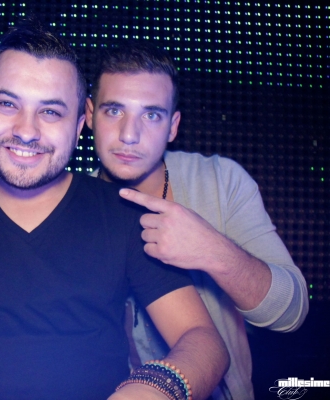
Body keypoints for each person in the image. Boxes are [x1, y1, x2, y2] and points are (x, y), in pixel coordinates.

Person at [0, 24, 228, 400]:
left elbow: (203, 340)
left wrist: (158, 387)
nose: (26, 131)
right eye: (7, 104)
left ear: (79, 126)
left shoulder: (123, 214)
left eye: (50, 111)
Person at [85, 41, 309, 399]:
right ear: (89, 114)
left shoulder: (220, 181)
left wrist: (213, 251)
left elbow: (291, 313)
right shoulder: (72, 206)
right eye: (114, 111)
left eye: (151, 115)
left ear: (173, 126)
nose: (129, 134)